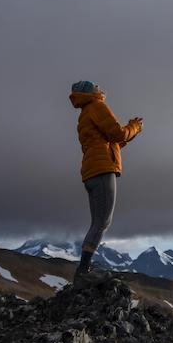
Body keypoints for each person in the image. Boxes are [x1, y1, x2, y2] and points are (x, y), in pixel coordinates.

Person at [68, 80, 142, 277]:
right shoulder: (97, 106)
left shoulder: (84, 114)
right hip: (102, 170)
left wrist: (130, 134)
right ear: (90, 92)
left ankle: (84, 268)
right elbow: (117, 133)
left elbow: (109, 142)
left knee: (97, 222)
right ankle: (83, 271)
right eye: (96, 86)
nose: (100, 88)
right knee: (102, 222)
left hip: (91, 171)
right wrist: (134, 126)